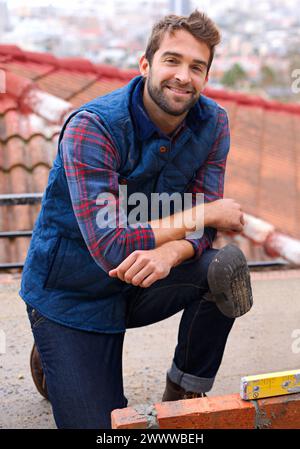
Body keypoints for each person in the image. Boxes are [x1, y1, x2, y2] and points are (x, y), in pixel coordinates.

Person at [20, 10, 253, 429]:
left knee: (226, 265)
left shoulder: (213, 122)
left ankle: (184, 389)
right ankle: (53, 352)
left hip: (146, 278)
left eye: (196, 67)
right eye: (172, 61)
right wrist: (204, 213)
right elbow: (113, 244)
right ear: (145, 65)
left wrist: (172, 253)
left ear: (206, 76)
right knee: (104, 429)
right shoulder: (93, 127)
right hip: (72, 295)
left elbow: (204, 230)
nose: (183, 76)